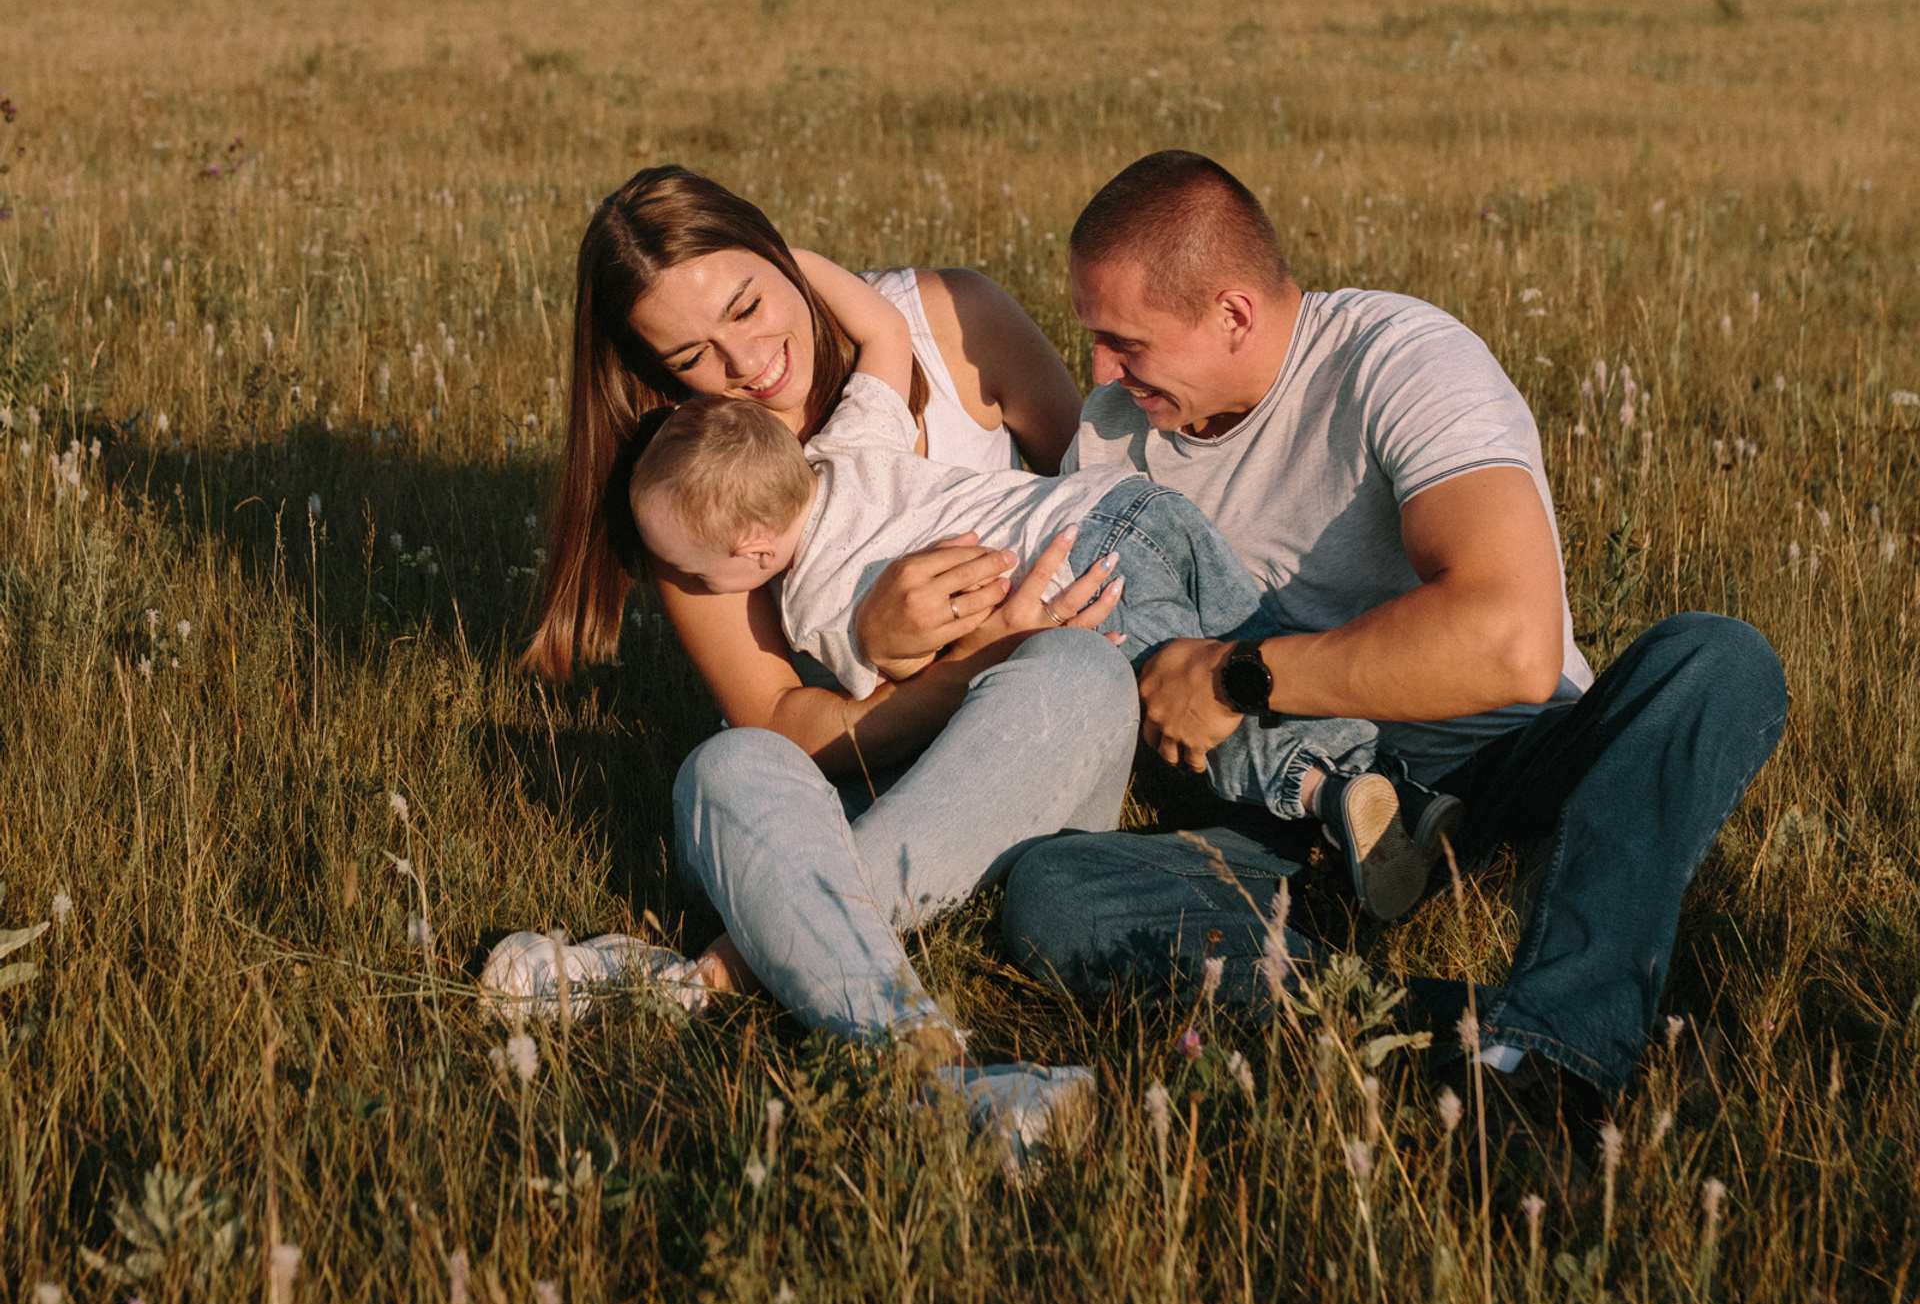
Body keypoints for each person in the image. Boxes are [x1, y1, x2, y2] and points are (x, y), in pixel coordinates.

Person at [927, 151, 1791, 1143]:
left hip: (1502, 759)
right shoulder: (1116, 436)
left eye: (1123, 343)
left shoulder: (1398, 358)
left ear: (1235, 316)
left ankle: (1548, 1053)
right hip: (1296, 818)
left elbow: (1511, 643)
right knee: (1056, 899)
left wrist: (1237, 675)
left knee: (1715, 661)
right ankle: (1542, 1042)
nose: (1101, 375)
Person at [494, 165, 1139, 1148]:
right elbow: (785, 725)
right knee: (727, 765)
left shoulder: (950, 317)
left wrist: (1018, 651)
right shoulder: (692, 477)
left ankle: (709, 969)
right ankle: (938, 1082)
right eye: (692, 355)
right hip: (862, 789)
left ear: (781, 252)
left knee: (1076, 674)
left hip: (1039, 771)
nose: (749, 364)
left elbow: (1098, 501)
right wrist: (935, 660)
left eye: (751, 303)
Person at [631, 259, 1462, 917]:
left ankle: (1326, 790)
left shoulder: (810, 606)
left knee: (1192, 695)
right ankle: (1401, 789)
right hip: (1125, 505)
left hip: (1080, 577)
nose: (701, 589)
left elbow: (906, 723)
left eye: (701, 574)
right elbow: (886, 333)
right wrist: (791, 260)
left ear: (751, 547)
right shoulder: (853, 446)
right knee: (1247, 647)